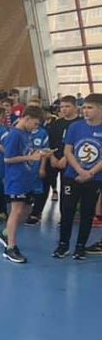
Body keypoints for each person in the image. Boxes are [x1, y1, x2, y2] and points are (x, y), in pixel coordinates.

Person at [0, 106, 51, 263]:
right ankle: (10, 247)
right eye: (35, 124)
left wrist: (40, 154)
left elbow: (27, 152)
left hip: (27, 177)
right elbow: (8, 159)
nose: (36, 127)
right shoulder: (14, 135)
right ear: (26, 119)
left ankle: (5, 233)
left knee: (26, 210)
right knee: (17, 210)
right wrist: (30, 158)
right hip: (16, 178)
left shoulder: (27, 134)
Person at [53, 94, 102, 259]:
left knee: (87, 212)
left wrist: (90, 173)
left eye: (90, 108)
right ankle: (63, 244)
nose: (85, 111)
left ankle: (80, 246)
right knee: (67, 210)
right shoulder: (75, 127)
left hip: (94, 178)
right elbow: (68, 150)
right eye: (84, 107)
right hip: (72, 176)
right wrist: (79, 170)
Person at [47, 95, 82, 203]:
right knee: (48, 178)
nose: (64, 109)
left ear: (75, 107)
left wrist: (66, 158)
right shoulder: (56, 124)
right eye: (62, 107)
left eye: (67, 106)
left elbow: (79, 144)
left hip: (71, 160)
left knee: (68, 190)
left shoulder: (81, 123)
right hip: (55, 157)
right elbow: (49, 142)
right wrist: (52, 157)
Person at [25, 118, 51, 225]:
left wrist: (42, 168)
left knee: (38, 190)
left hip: (37, 166)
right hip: (24, 167)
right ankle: (25, 212)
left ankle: (35, 213)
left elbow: (45, 151)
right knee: (25, 191)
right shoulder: (22, 132)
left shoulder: (42, 133)